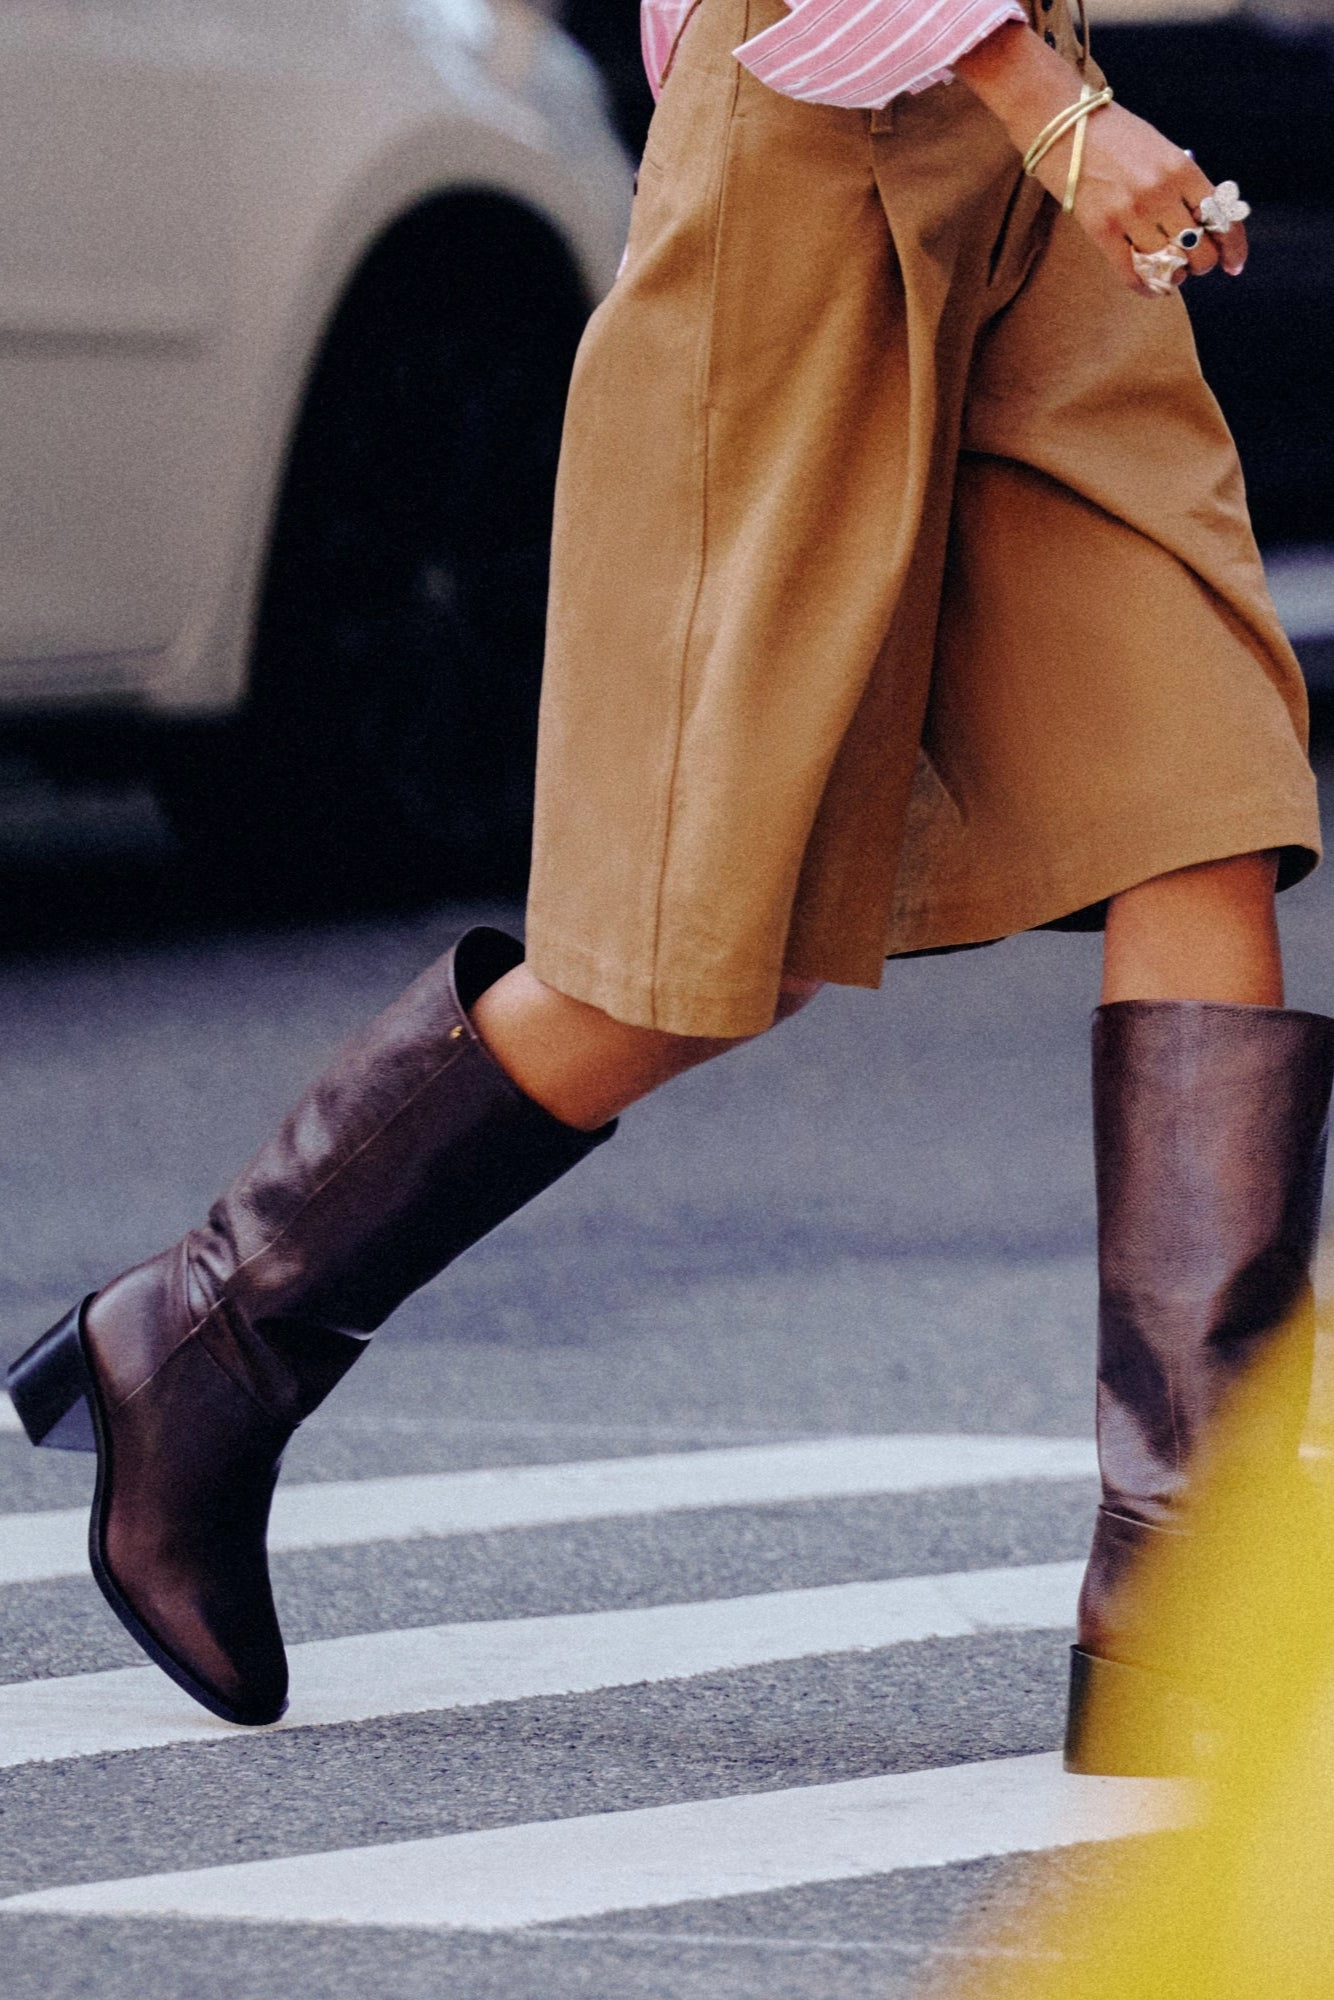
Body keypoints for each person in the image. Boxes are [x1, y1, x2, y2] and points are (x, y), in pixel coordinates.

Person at [7, 0, 1331, 1775]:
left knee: (1201, 793)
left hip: (1035, 146)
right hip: (828, 136)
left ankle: (1188, 1593)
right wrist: (1036, 95)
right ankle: (206, 1338)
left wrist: (1052, 99)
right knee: (691, 945)